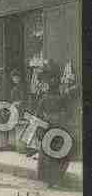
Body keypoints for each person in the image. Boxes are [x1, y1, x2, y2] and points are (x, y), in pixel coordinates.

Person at [37, 60, 72, 188]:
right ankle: (52, 180)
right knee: (52, 154)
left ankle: (54, 180)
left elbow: (68, 112)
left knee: (55, 153)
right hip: (53, 126)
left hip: (57, 126)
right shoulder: (45, 97)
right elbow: (39, 114)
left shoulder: (59, 96)